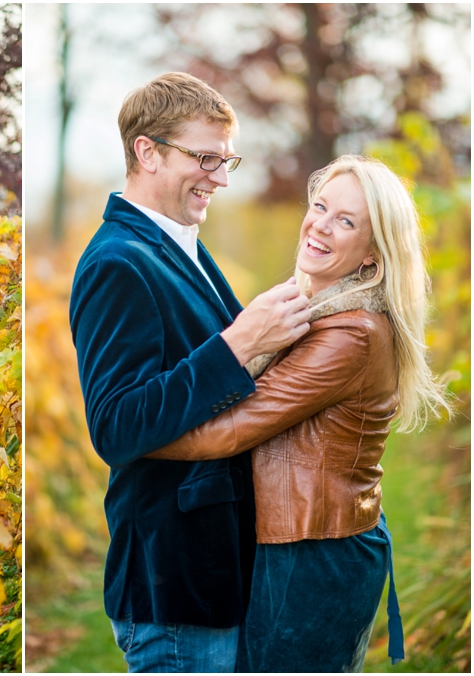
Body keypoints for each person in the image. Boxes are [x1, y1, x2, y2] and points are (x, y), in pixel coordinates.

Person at [146, 155, 451, 672]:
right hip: (309, 540)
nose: (321, 225)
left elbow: (228, 430)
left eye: (347, 221)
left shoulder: (351, 334)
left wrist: (130, 428)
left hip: (316, 553)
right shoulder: (321, 312)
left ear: (373, 255)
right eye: (320, 206)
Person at [68, 72, 312, 673]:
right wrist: (238, 345)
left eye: (227, 160)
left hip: (219, 569)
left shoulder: (183, 246)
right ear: (146, 152)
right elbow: (117, 426)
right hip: (174, 580)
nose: (222, 179)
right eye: (205, 158)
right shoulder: (116, 262)